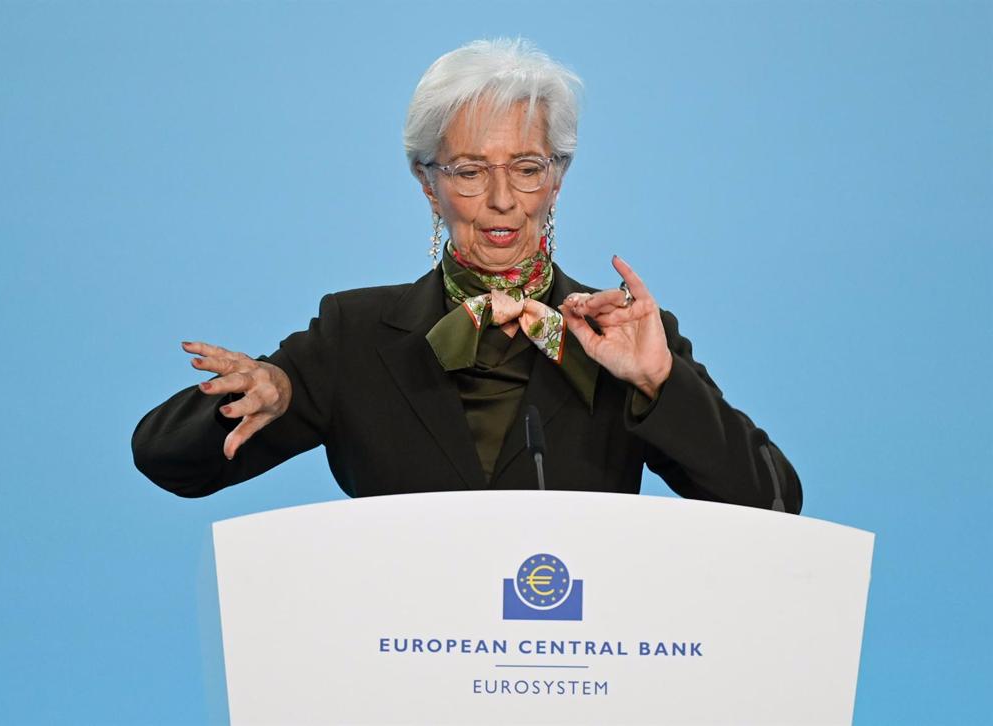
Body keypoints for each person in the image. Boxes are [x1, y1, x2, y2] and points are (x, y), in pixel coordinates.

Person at [131, 38, 802, 513]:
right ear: (428, 184)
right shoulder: (354, 335)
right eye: (471, 170)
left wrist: (660, 383)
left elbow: (772, 505)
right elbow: (171, 466)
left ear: (558, 179)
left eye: (528, 167)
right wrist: (261, 391)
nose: (504, 199)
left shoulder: (622, 335)